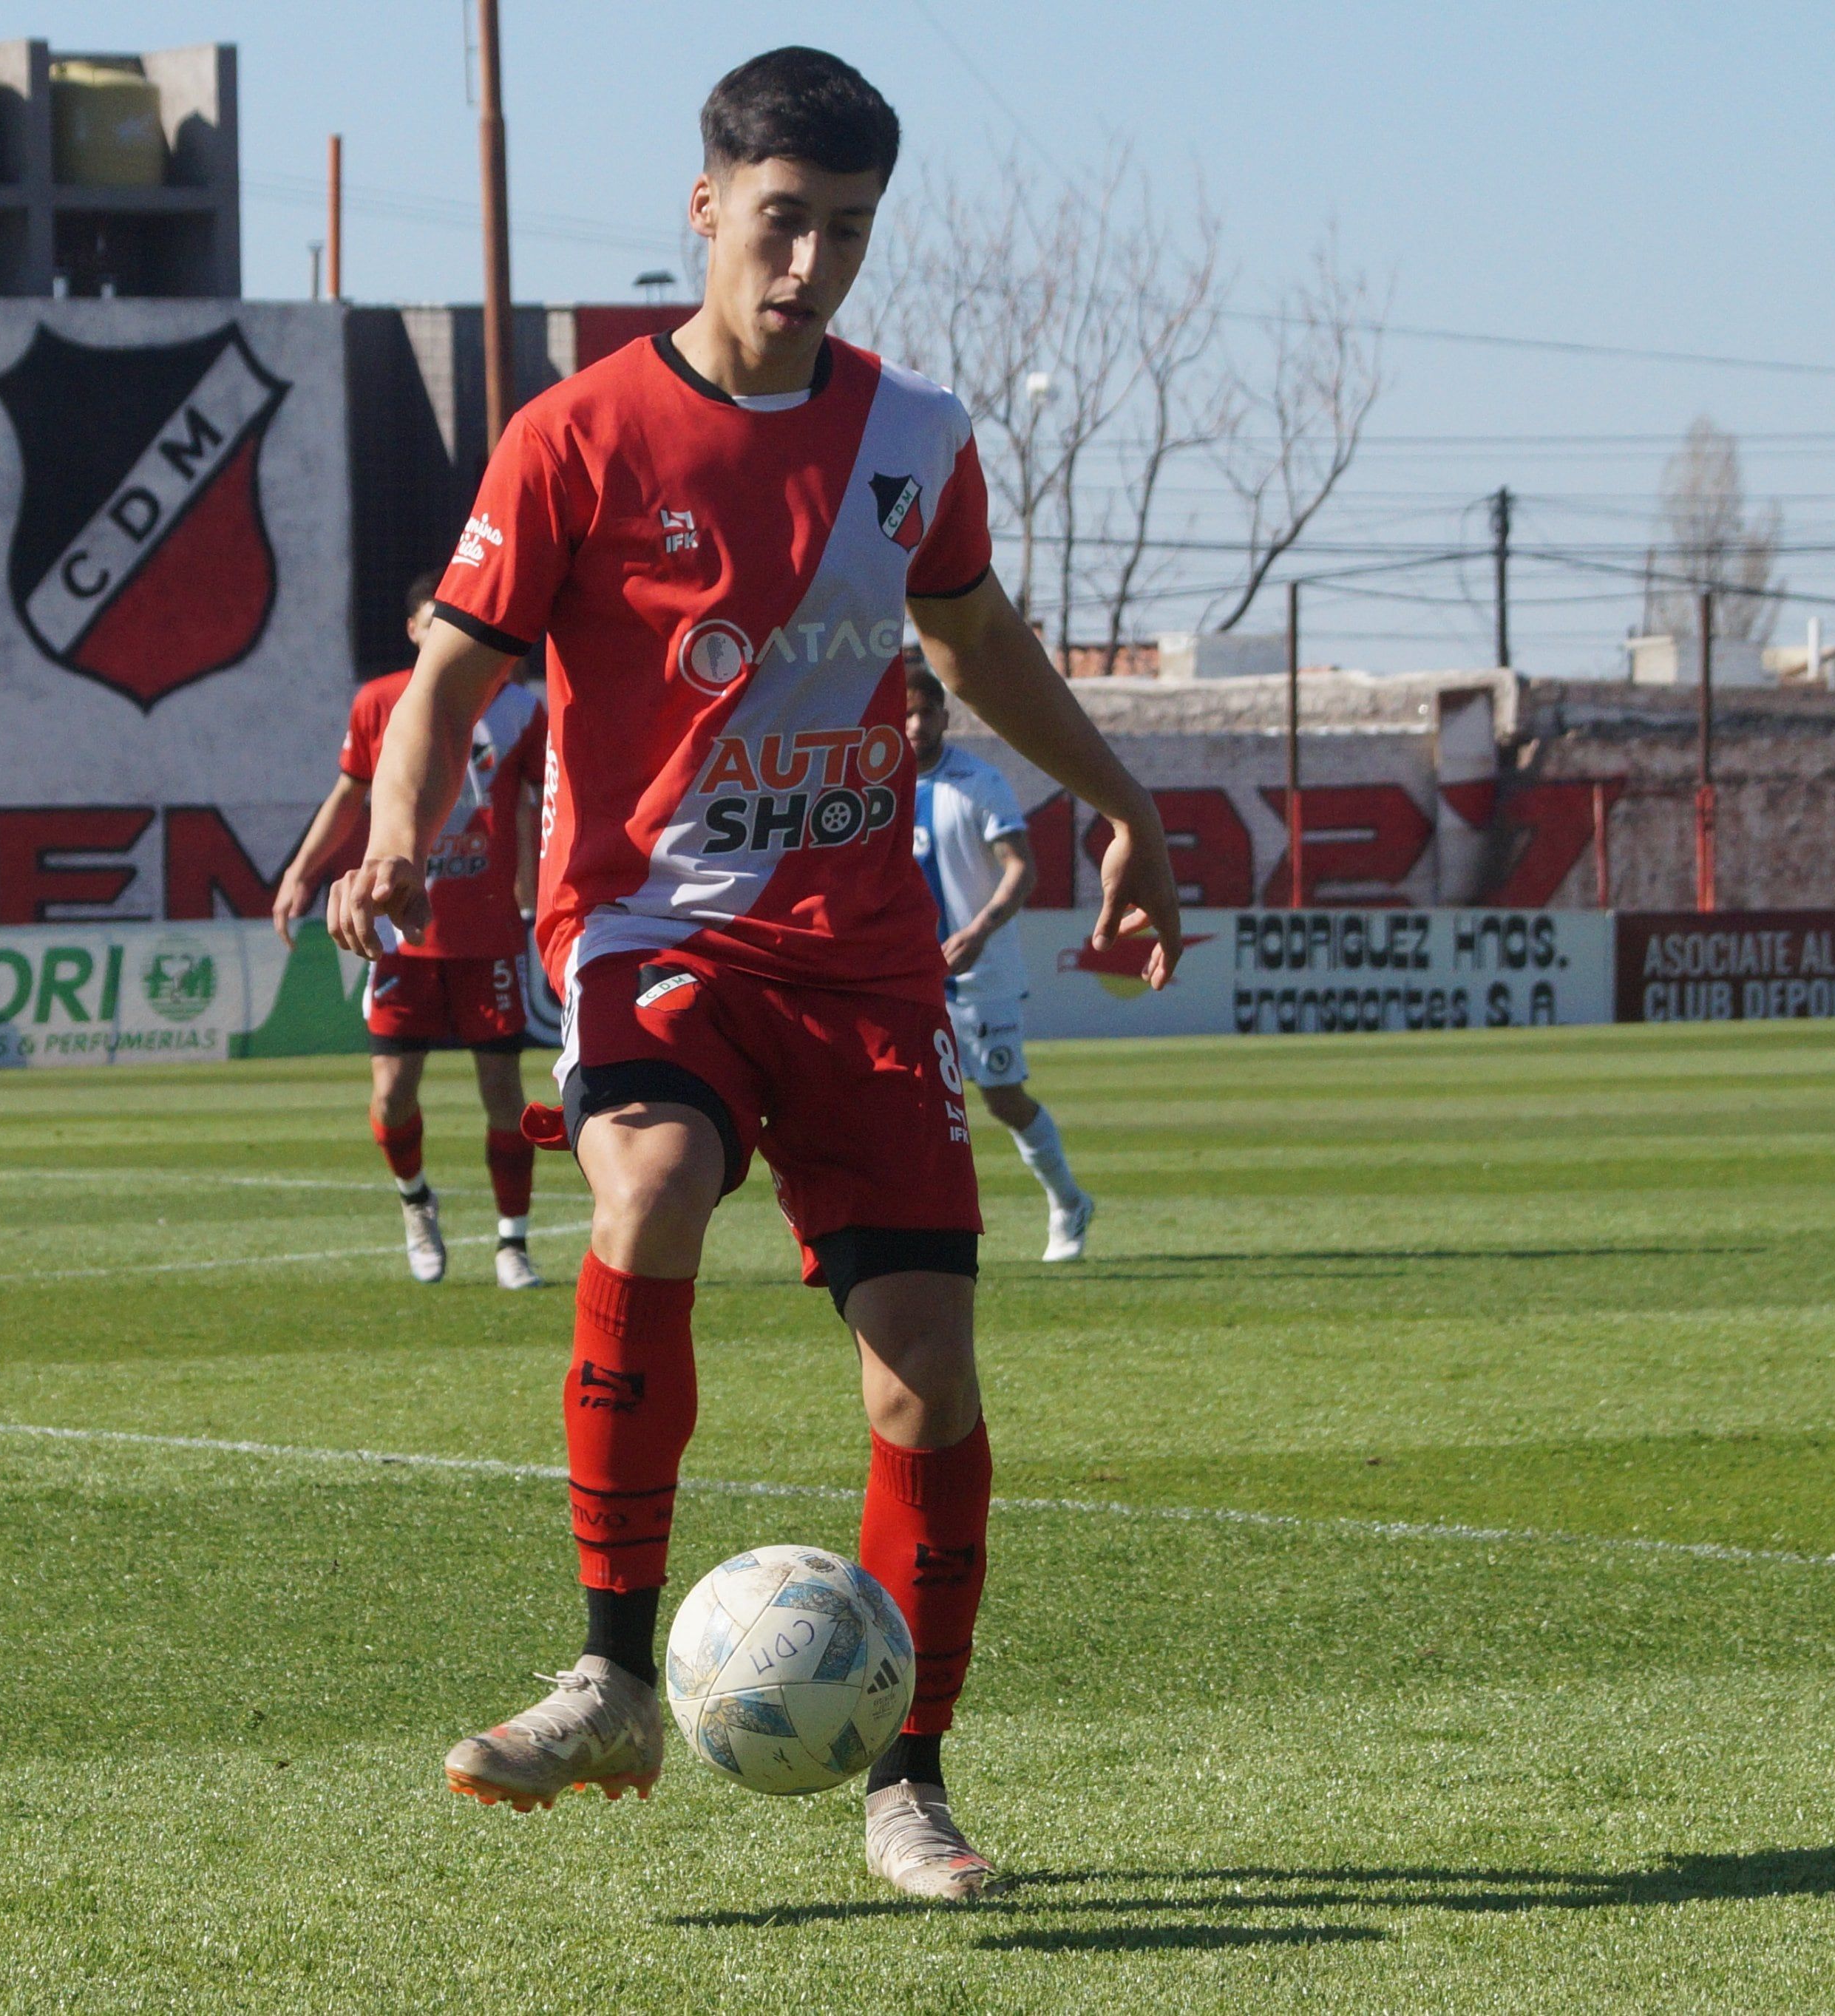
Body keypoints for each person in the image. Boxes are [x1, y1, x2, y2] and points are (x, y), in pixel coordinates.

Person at [329, 47, 1181, 1902]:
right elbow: (454, 675)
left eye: (848, 232)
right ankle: (611, 1678)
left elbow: (977, 640)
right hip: (648, 929)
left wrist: (1123, 804)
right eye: (783, 222)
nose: (810, 265)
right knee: (645, 1184)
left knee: (925, 1374)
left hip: (861, 963)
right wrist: (397, 831)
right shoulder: (575, 435)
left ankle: (911, 1778)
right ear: (705, 205)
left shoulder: (914, 437)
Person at [275, 574, 550, 1288]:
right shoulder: (379, 702)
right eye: (435, 622)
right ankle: (415, 1201)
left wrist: (541, 897)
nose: (446, 635)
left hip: (488, 931)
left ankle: (512, 1242)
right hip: (401, 934)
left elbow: (543, 807)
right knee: (392, 1093)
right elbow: (350, 794)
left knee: (503, 1091)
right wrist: (302, 871)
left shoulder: (521, 707)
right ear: (414, 630)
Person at [906, 665, 1093, 1260]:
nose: (915, 725)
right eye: (905, 713)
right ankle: (918, 1235)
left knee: (1003, 1098)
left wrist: (979, 930)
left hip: (980, 974)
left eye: (925, 712)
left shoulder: (978, 782)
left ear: (944, 716)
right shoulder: (872, 784)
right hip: (905, 975)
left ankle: (1068, 1202)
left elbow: (1022, 868)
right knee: (908, 1105)